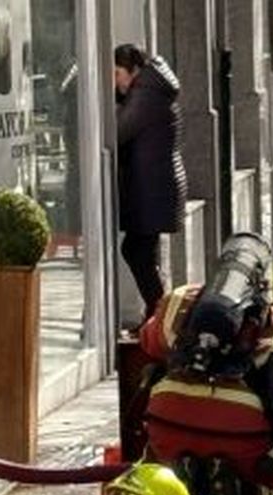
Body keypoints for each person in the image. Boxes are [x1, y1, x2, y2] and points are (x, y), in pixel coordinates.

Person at [137, 234, 273, 495]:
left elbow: (149, 342)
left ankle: (176, 483)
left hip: (168, 418)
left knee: (158, 456)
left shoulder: (179, 299)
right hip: (240, 433)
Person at [115, 44, 188, 312]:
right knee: (141, 252)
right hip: (154, 186)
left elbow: (118, 132)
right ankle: (157, 313)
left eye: (117, 74)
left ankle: (161, 314)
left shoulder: (145, 96)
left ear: (133, 71)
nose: (115, 81)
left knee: (137, 252)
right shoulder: (150, 90)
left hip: (152, 189)